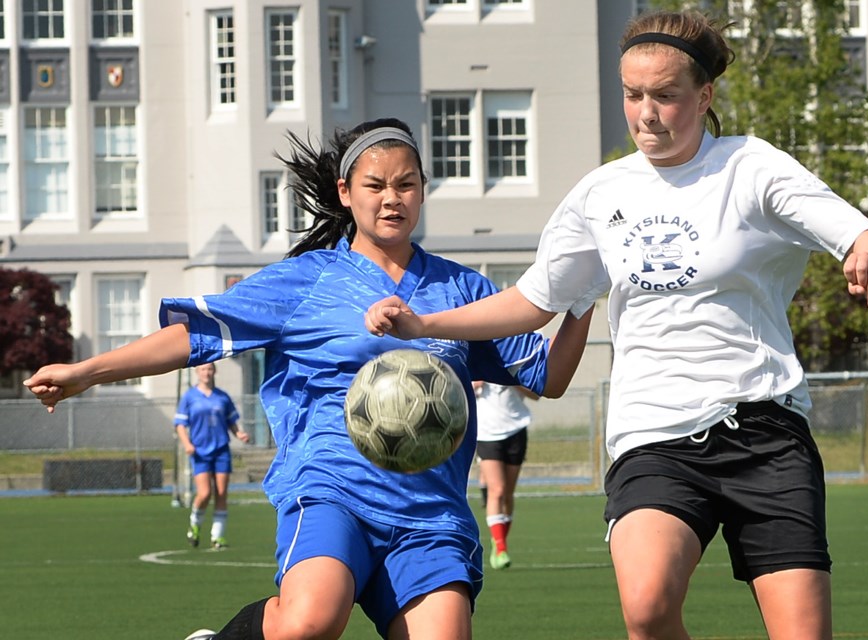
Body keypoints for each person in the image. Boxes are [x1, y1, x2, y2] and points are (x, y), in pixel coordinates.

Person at [365, 11, 868, 640]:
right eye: (632, 94)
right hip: (653, 435)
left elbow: (859, 232)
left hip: (764, 427)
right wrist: (425, 322)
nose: (646, 111)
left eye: (666, 95)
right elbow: (534, 301)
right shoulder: (601, 194)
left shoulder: (750, 168)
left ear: (703, 97)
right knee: (646, 608)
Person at [24, 117, 593, 640]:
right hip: (331, 491)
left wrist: (586, 294)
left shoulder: (463, 291)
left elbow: (550, 374)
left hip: (428, 512)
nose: (392, 198)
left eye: (406, 184)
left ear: (422, 189)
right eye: (376, 185)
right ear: (346, 194)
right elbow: (194, 337)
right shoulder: (304, 282)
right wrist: (88, 371)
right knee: (308, 624)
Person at [174, 362, 249, 550]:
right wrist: (187, 444)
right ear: (197, 372)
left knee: (221, 493)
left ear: (214, 371)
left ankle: (217, 537)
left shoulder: (222, 397)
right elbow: (180, 425)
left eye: (209, 369)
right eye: (202, 369)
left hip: (221, 449)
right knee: (205, 493)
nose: (206, 373)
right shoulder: (189, 397)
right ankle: (194, 524)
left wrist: (239, 434)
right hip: (200, 451)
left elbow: (232, 421)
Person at [472, 381, 538, 570]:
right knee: (497, 490)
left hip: (516, 429)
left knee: (508, 494)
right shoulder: (476, 361)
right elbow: (457, 391)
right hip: (486, 434)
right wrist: (475, 384)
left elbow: (536, 394)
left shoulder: (514, 363)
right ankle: (500, 548)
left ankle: (498, 540)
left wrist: (513, 381)